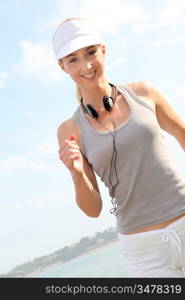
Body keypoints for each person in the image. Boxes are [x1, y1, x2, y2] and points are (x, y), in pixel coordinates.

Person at [52, 17, 185, 277]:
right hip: (143, 251)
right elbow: (93, 210)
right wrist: (77, 174)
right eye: (73, 59)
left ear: (103, 50)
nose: (86, 65)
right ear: (62, 67)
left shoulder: (144, 93)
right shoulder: (69, 131)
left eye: (91, 52)